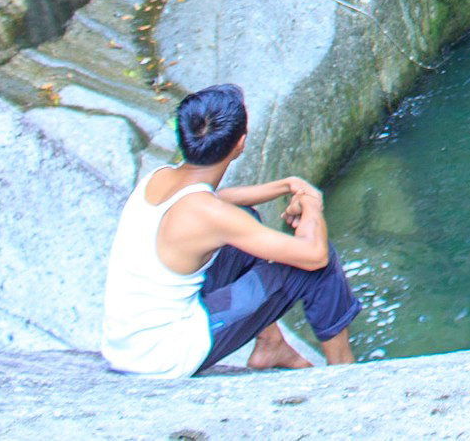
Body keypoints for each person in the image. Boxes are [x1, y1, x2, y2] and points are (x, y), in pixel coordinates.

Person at [100, 83, 361, 377]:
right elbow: (312, 255)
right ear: (240, 143)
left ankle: (271, 343)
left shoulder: (159, 178)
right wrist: (311, 203)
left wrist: (286, 186)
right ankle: (345, 374)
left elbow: (216, 201)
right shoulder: (209, 216)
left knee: (244, 219)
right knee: (318, 262)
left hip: (129, 345)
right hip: (163, 356)